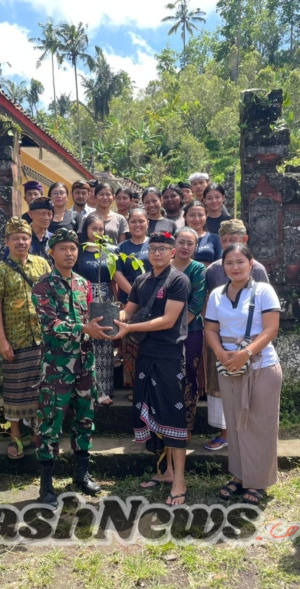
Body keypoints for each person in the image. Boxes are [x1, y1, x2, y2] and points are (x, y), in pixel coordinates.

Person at [31, 228, 111, 507]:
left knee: (84, 419)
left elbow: (92, 316)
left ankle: (81, 474)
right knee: (50, 423)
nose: (69, 253)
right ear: (51, 253)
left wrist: (108, 321)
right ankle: (46, 485)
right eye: (63, 248)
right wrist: (83, 327)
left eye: (73, 248)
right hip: (56, 367)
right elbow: (49, 324)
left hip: (84, 365)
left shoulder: (83, 284)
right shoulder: (43, 286)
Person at [110, 230, 190, 506]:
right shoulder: (142, 280)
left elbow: (168, 320)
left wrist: (128, 328)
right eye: (153, 249)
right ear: (148, 252)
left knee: (172, 415)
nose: (157, 253)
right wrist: (110, 320)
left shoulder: (178, 280)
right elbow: (128, 311)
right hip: (144, 354)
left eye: (162, 249)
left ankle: (180, 480)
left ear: (172, 252)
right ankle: (166, 472)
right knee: (151, 411)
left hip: (168, 355)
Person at [205, 243, 282, 506]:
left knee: (260, 424)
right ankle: (239, 475)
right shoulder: (216, 294)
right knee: (236, 425)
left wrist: (245, 354)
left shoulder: (263, 291)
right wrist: (220, 353)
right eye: (229, 263)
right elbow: (211, 329)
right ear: (222, 266)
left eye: (240, 262)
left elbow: (270, 329)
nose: (235, 267)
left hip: (260, 366)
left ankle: (258, 481)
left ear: (251, 264)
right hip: (228, 366)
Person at [0, 217, 51, 459]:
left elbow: (50, 296)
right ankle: (15, 437)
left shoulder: (42, 264)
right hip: (15, 338)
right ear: (7, 242)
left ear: (30, 240)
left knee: (40, 388)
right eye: (16, 238)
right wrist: (1, 340)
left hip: (41, 338)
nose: (21, 242)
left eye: (25, 237)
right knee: (15, 390)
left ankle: (38, 433)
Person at [204, 219, 269, 451]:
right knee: (222, 386)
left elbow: (266, 312)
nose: (230, 243)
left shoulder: (257, 269)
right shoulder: (213, 269)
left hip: (249, 341)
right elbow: (208, 307)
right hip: (220, 339)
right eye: (225, 240)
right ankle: (224, 433)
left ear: (245, 240)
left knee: (250, 386)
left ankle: (247, 434)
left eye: (235, 239)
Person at [74, 214, 117, 405]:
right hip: (85, 298)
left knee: (105, 342)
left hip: (106, 297)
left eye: (101, 229)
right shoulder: (80, 252)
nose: (98, 232)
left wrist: (116, 302)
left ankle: (106, 390)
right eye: (94, 228)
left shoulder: (110, 251)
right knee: (89, 343)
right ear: (86, 230)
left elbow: (114, 279)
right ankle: (92, 389)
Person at [171, 227, 207, 439]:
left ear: (195, 247)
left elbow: (196, 304)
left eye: (190, 243)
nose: (185, 247)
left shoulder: (198, 270)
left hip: (191, 331)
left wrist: (170, 326)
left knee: (189, 377)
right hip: (162, 334)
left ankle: (187, 424)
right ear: (174, 244)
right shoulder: (164, 266)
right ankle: (166, 423)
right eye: (181, 242)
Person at [113, 208, 150, 390]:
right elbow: (117, 274)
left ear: (147, 223)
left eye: (141, 221)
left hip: (153, 301)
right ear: (128, 224)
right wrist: (136, 294)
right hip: (128, 301)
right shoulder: (122, 248)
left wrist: (146, 295)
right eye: (133, 221)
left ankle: (149, 386)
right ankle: (133, 387)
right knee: (129, 344)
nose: (137, 225)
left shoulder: (154, 245)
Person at [183, 201, 221, 267]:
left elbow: (221, 263)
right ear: (185, 217)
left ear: (206, 216)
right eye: (192, 215)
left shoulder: (215, 238)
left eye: (200, 215)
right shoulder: (178, 238)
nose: (197, 219)